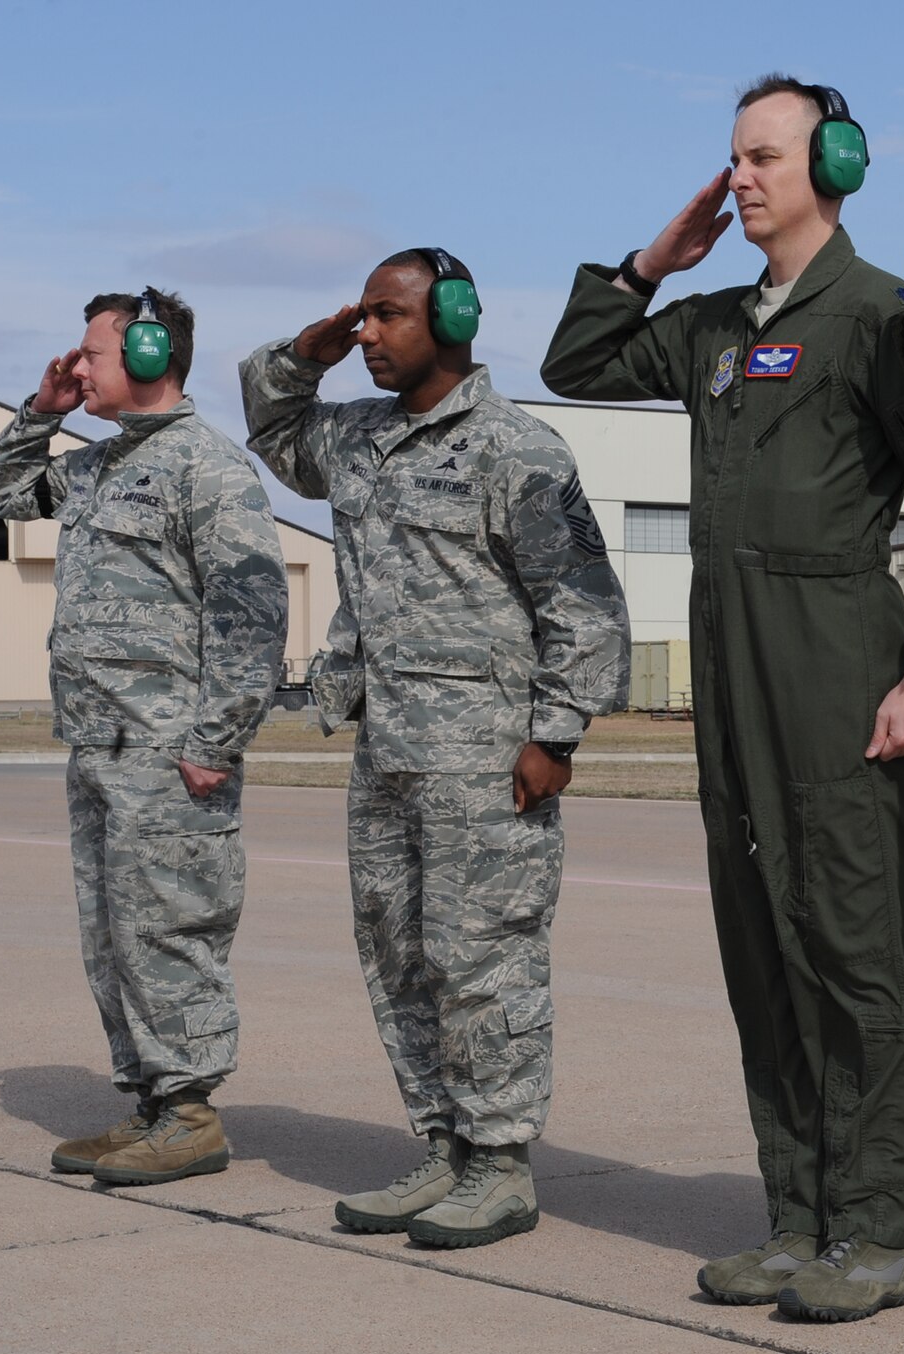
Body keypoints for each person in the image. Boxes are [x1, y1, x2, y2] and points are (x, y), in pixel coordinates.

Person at [540, 76, 904, 1321]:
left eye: (761, 157)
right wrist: (651, 258)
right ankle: (796, 1217)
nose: (738, 178)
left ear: (833, 163)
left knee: (860, 952)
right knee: (761, 943)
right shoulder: (710, 325)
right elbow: (575, 357)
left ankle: (875, 1231)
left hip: (839, 655)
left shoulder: (880, 318)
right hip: (730, 665)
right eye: (729, 159)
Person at [240, 249, 630, 1249]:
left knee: (484, 959)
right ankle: (442, 1145)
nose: (368, 333)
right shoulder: (359, 438)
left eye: (387, 316)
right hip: (386, 749)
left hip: (485, 755)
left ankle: (499, 1161)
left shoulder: (516, 447)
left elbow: (579, 602)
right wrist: (305, 353)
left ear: (451, 318)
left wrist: (555, 735)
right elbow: (273, 431)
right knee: (399, 954)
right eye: (361, 317)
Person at [0, 287, 289, 1186]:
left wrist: (213, 742)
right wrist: (42, 411)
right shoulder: (93, 466)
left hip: (169, 755)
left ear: (153, 356)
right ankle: (156, 1102)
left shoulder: (211, 467)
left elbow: (253, 615)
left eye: (93, 354)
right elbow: (5, 492)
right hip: (99, 745)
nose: (78, 366)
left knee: (172, 932)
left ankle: (191, 1113)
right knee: (114, 935)